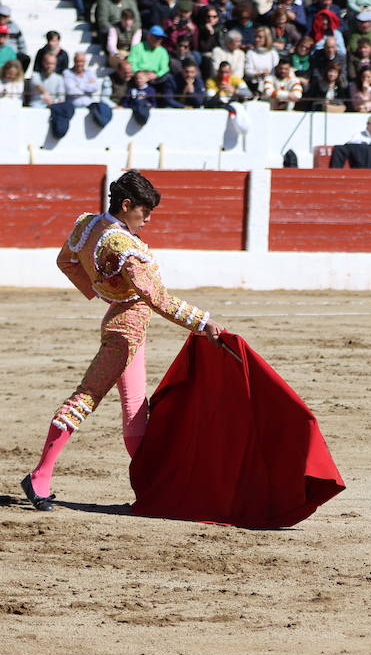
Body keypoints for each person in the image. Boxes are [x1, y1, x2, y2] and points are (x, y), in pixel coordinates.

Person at [21, 171, 226, 511]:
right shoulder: (125, 247)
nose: (148, 219)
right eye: (144, 211)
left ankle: (149, 491)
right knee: (87, 397)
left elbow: (66, 261)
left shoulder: (88, 225)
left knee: (135, 411)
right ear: (126, 205)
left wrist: (101, 291)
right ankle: (40, 476)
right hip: (124, 332)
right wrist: (202, 322)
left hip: (126, 324)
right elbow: (157, 298)